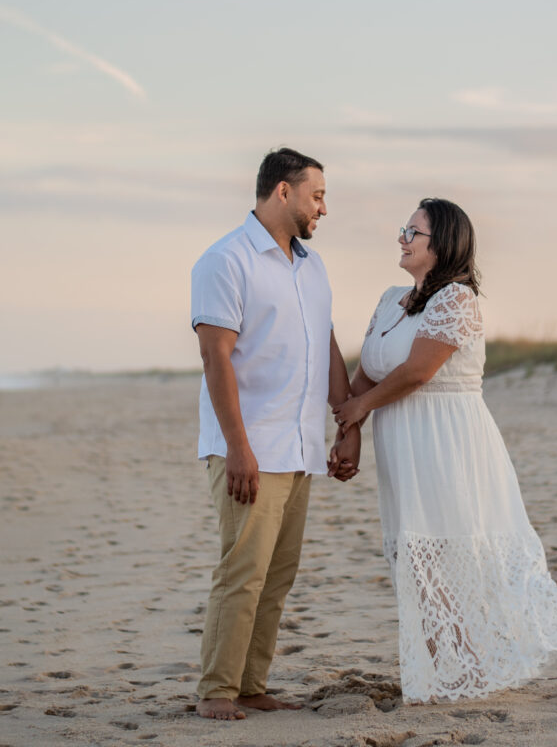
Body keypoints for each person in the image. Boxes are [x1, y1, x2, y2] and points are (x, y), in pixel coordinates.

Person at [333, 198, 557, 702]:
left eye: (413, 231)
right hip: (402, 440)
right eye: (404, 228)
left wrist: (361, 411)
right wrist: (348, 433)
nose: (401, 237)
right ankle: (443, 664)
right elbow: (368, 373)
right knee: (416, 557)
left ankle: (465, 667)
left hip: (447, 440)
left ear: (442, 245)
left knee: (448, 549)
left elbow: (418, 372)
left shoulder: (457, 300)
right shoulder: (389, 300)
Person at [191, 147, 360, 721]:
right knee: (242, 572)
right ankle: (217, 690)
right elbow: (216, 359)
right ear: (282, 192)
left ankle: (251, 684)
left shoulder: (312, 266)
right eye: (318, 195)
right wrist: (239, 447)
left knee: (277, 576)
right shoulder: (225, 260)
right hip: (250, 446)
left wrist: (345, 421)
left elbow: (325, 344)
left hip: (301, 446)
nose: (324, 208)